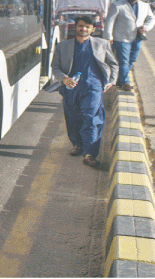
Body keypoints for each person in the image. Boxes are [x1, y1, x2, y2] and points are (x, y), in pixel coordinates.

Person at [51, 15, 118, 168]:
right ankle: (77, 144)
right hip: (71, 88)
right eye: (81, 26)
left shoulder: (102, 44)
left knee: (91, 118)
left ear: (93, 29)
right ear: (75, 27)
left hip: (93, 86)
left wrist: (112, 81)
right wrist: (63, 78)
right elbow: (55, 67)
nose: (83, 29)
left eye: (87, 26)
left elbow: (113, 64)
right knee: (72, 117)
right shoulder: (63, 46)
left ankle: (89, 153)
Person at [103, 0, 155, 91]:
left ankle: (120, 79)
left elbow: (151, 18)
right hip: (121, 38)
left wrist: (146, 27)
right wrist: (108, 36)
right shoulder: (117, 5)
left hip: (137, 37)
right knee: (124, 61)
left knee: (132, 59)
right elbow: (109, 21)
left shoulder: (145, 6)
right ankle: (125, 82)